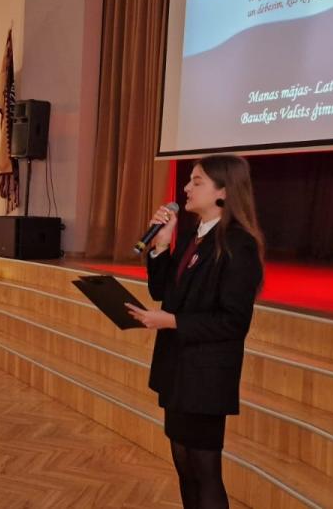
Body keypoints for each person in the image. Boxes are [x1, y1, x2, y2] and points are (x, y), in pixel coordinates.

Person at [126, 154, 265, 509]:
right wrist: (161, 244)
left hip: (206, 375)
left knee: (205, 470)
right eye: (189, 180)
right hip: (178, 369)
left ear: (224, 191)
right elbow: (162, 292)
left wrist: (172, 321)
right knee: (184, 465)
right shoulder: (194, 236)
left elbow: (234, 322)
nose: (186, 188)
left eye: (197, 181)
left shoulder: (239, 244)